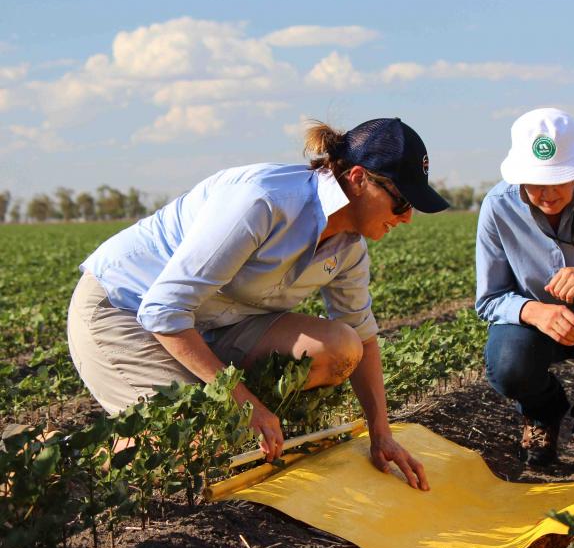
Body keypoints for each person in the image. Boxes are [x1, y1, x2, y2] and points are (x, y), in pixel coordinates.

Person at [68, 117, 448, 491]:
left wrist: (381, 432)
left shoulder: (349, 249)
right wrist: (245, 404)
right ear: (359, 178)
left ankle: (237, 423)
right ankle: (50, 460)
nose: (408, 217)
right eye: (401, 201)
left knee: (340, 349)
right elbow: (163, 311)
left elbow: (363, 339)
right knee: (192, 444)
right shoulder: (264, 202)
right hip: (126, 309)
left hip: (210, 322)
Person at [476, 107, 574, 477]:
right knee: (509, 365)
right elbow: (490, 298)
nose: (547, 193)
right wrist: (536, 311)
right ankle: (544, 412)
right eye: (535, 181)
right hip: (537, 323)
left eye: (559, 179)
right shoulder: (498, 207)